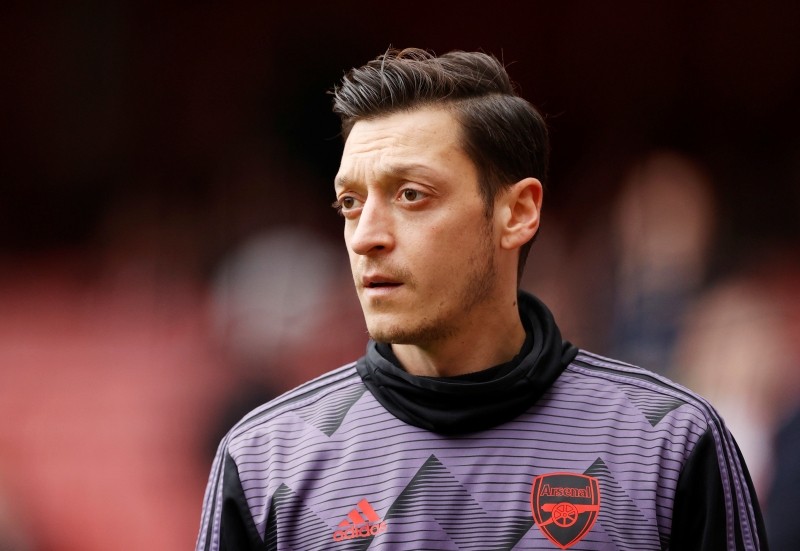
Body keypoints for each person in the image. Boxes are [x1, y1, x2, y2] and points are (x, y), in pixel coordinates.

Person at [196, 48, 767, 550]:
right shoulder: (266, 461)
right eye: (350, 202)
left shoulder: (668, 443)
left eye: (411, 194)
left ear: (516, 213)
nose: (366, 235)